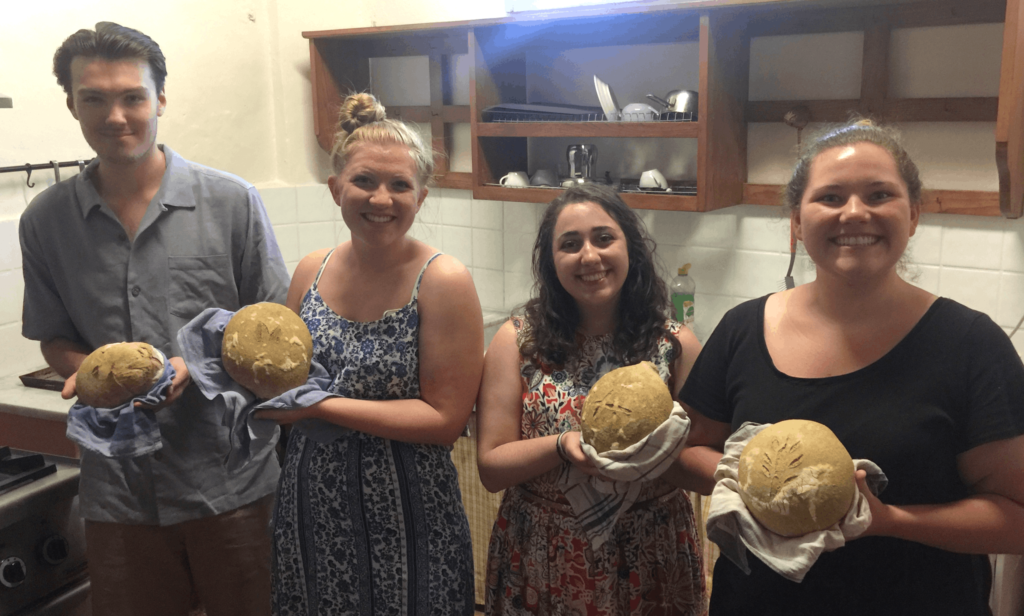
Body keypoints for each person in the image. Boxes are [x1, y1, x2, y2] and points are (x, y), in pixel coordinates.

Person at [678, 119, 1024, 615]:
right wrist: (757, 480)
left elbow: (1015, 517)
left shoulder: (970, 345)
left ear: (914, 215)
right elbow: (686, 452)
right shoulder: (742, 329)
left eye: (880, 194)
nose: (855, 212)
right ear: (797, 220)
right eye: (832, 197)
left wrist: (888, 519)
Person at [19, 22, 289, 616]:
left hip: (231, 485)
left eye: (132, 97)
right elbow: (55, 339)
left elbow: (277, 328)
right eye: (94, 98)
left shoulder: (231, 203)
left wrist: (196, 366)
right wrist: (87, 374)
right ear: (72, 104)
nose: (115, 115)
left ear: (159, 99)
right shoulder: (45, 221)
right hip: (119, 495)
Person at [254, 92, 481, 616]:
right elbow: (285, 376)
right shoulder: (311, 270)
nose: (381, 198)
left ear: (420, 197)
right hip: (311, 503)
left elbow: (444, 419)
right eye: (364, 181)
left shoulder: (442, 281)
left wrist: (317, 407)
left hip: (408, 509)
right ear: (336, 189)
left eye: (400, 185)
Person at [476, 183, 707, 615]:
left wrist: (658, 457)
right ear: (551, 261)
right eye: (570, 244)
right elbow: (491, 467)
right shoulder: (519, 341)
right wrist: (562, 447)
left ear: (630, 249)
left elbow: (699, 465)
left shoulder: (675, 346)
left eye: (604, 238)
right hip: (543, 553)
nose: (589, 257)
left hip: (651, 553)